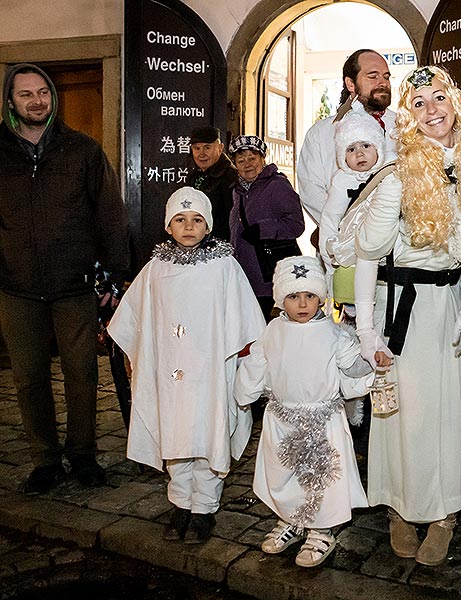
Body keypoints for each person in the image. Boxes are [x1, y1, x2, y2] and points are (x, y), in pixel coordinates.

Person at [352, 65, 461, 565]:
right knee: (401, 415)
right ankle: (400, 507)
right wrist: (366, 330)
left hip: (447, 308)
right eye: (418, 103)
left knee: (445, 413)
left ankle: (443, 514)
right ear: (407, 118)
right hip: (402, 311)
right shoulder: (398, 178)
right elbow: (367, 256)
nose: (431, 109)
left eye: (438, 98)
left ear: (455, 105)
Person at [108, 187, 265, 543]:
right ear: (168, 226)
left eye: (197, 220)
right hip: (169, 371)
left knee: (207, 433)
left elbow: (246, 321)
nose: (189, 226)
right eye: (180, 219)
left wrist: (246, 362)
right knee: (175, 433)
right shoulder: (155, 269)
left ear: (208, 226)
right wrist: (140, 359)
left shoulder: (224, 266)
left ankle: (205, 508)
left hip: (208, 369)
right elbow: (135, 318)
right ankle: (180, 502)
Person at [0, 63, 129, 494]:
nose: (37, 101)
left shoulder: (82, 151)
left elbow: (109, 215)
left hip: (74, 284)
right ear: (10, 101)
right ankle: (45, 459)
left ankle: (83, 454)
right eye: (26, 94)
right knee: (28, 377)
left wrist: (115, 277)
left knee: (81, 374)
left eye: (43, 92)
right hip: (15, 287)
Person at [234, 255, 373, 567]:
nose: (302, 303)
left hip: (323, 419)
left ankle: (321, 529)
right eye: (294, 296)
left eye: (310, 295)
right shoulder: (272, 331)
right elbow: (257, 363)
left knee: (323, 477)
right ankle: (292, 520)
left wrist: (372, 358)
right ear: (282, 298)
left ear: (320, 297)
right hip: (283, 420)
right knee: (286, 474)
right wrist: (245, 390)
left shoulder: (334, 332)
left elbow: (351, 365)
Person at [296, 49, 396, 225]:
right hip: (340, 239)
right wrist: (346, 226)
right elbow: (310, 190)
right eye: (373, 76)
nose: (382, 82)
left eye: (386, 77)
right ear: (351, 84)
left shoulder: (404, 127)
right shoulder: (321, 133)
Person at [319, 107, 390, 307]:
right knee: (354, 306)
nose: (359, 153)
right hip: (350, 255)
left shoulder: (390, 175)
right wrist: (329, 258)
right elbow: (330, 219)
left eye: (366, 145)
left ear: (379, 148)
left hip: (385, 259)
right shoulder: (342, 182)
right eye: (351, 149)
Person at [229, 134, 305, 320]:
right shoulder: (237, 191)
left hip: (268, 275)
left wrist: (263, 229)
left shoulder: (277, 185)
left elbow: (296, 225)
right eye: (241, 160)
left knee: (265, 327)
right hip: (245, 275)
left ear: (262, 159)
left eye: (252, 158)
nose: (247, 164)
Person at [186, 126, 238, 241]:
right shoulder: (194, 177)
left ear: (220, 148)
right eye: (196, 148)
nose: (201, 154)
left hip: (219, 249)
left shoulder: (231, 178)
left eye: (207, 147)